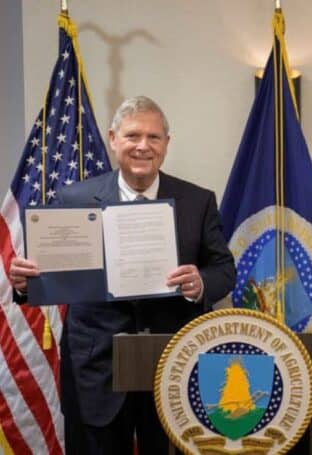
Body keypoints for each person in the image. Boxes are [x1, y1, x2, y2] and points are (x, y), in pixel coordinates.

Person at [9, 96, 236, 454]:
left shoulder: (198, 200)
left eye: (154, 137)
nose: (143, 146)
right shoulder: (74, 198)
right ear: (114, 139)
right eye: (132, 136)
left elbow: (224, 270)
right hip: (95, 368)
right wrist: (26, 283)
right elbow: (50, 272)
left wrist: (201, 282)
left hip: (172, 366)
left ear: (166, 144)